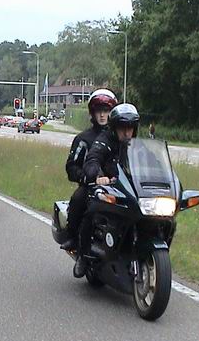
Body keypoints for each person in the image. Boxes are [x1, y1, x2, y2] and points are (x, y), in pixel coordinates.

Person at [72, 103, 141, 278]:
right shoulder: (105, 140)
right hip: (108, 187)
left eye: (130, 128)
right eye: (122, 128)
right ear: (115, 127)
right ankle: (83, 255)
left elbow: (153, 162)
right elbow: (93, 158)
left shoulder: (138, 145)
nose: (127, 132)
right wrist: (97, 175)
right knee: (92, 211)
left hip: (130, 189)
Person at [59, 89, 118, 255]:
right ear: (92, 113)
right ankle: (74, 240)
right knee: (78, 199)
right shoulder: (83, 139)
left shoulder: (119, 137)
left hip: (118, 186)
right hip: (91, 186)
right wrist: (87, 178)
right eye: (99, 111)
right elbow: (71, 166)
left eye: (106, 110)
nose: (102, 115)